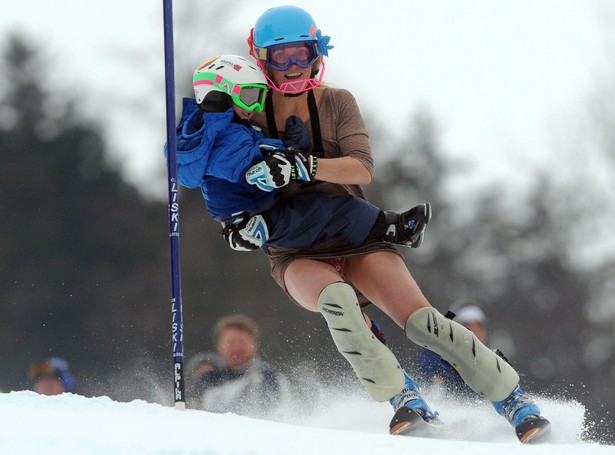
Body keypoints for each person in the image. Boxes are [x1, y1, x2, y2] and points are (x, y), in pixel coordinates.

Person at [220, 5, 550, 443]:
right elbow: (217, 172)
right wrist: (234, 224)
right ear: (262, 59)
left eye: (301, 54)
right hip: (294, 249)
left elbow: (360, 168)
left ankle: (513, 398)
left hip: (355, 235)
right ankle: (403, 397)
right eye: (281, 58)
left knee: (423, 323)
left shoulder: (338, 102)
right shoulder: (249, 108)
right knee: (337, 302)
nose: (293, 67)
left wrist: (303, 166)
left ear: (318, 52)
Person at [171, 54, 431, 252]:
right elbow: (246, 163)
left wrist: (289, 150)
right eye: (249, 97)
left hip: (258, 206)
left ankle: (386, 228)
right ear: (219, 94)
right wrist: (287, 152)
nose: (255, 107)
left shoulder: (219, 129)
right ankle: (395, 228)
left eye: (260, 97)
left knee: (323, 207)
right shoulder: (219, 136)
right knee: (333, 211)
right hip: (255, 214)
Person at [186, 314, 290, 417]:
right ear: (219, 347)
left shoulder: (267, 377)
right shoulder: (209, 378)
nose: (236, 349)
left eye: (241, 342)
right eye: (230, 343)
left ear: (254, 345)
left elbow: (273, 414)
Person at [416, 301, 489, 397]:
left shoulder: (489, 360)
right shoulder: (436, 351)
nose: (474, 334)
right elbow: (429, 381)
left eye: (478, 329)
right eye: (468, 328)